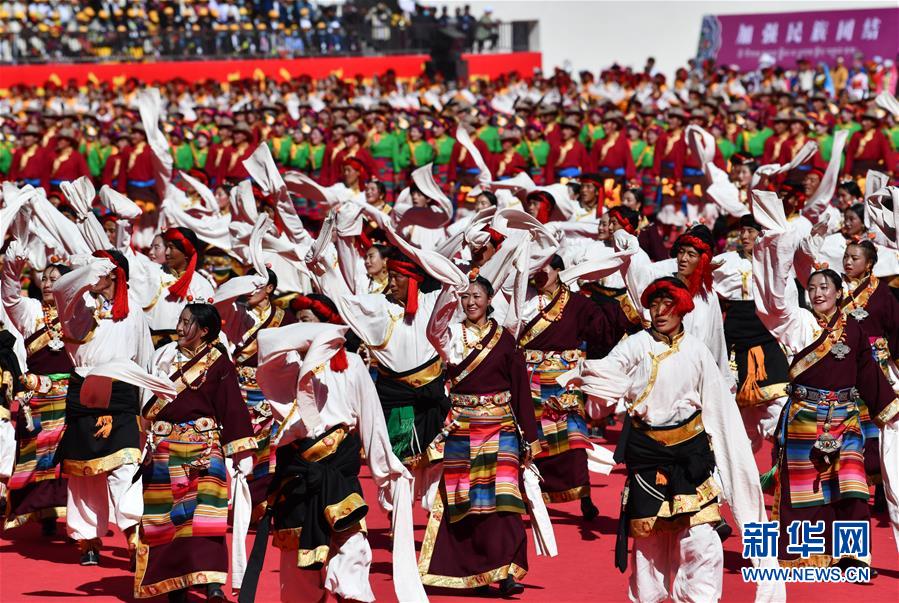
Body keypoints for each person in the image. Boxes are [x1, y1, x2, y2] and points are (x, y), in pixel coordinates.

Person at [563, 276, 778, 602]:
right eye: (654, 304)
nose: (660, 311)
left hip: (691, 459)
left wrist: (728, 460)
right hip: (648, 458)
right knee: (649, 549)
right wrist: (592, 378)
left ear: (681, 310)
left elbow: (719, 409)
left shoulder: (696, 351)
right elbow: (610, 370)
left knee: (703, 540)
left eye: (668, 305)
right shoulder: (636, 345)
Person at [752, 209, 899, 569]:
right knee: (804, 488)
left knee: (852, 488)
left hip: (845, 417)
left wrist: (890, 409)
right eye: (813, 288)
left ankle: (852, 556)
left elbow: (867, 371)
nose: (818, 293)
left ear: (837, 292)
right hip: (804, 416)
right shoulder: (797, 321)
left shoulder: (854, 328)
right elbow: (774, 302)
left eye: (825, 288)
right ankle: (802, 552)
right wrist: (781, 247)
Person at [243, 322, 423, 603]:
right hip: (299, 470)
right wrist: (312, 340)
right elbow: (267, 341)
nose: (307, 331)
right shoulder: (285, 365)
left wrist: (386, 472)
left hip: (339, 466)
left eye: (314, 323)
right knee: (297, 565)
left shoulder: (350, 363)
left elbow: (371, 416)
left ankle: (352, 596)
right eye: (302, 323)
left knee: (353, 548)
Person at [421, 273, 540, 594]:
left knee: (505, 500)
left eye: (477, 296)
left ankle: (508, 571)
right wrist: (448, 287)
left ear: (489, 301)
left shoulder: (505, 339)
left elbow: (520, 390)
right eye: (466, 297)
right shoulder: (449, 336)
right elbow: (432, 330)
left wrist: (531, 436)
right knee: (467, 502)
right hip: (461, 428)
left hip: (501, 428)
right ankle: (475, 570)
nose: (471, 302)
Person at [136, 304, 257, 601]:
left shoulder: (220, 363)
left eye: (187, 323)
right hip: (164, 447)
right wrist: (143, 443)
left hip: (204, 448)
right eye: (179, 321)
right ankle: (173, 582)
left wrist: (242, 452)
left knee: (207, 518)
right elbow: (146, 402)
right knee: (166, 519)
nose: (179, 327)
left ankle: (212, 582)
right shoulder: (164, 355)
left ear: (204, 331)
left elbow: (232, 408)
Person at [51, 249, 153, 566]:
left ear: (115, 274)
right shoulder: (80, 306)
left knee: (126, 465)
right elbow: (59, 288)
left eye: (100, 271)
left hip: (122, 391)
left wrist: (148, 411)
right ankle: (88, 539)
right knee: (85, 470)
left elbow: (145, 359)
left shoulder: (134, 311)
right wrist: (88, 270)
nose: (92, 276)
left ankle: (135, 534)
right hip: (85, 389)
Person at [517, 254, 629, 518]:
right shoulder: (523, 298)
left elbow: (602, 329)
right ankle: (530, 493)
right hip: (529, 377)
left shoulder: (577, 303)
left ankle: (584, 495)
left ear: (558, 271)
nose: (539, 274)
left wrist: (624, 309)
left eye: (545, 268)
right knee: (532, 440)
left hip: (564, 379)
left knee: (574, 439)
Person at [214, 268, 297, 519]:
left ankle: (261, 501)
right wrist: (243, 283)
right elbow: (220, 300)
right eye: (247, 286)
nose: (250, 291)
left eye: (257, 285)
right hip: (237, 389)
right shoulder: (237, 313)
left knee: (267, 448)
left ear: (270, 289)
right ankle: (238, 497)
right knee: (236, 445)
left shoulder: (285, 318)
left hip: (270, 390)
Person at [1, 253, 73, 535]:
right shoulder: (31, 310)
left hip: (70, 398)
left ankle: (75, 520)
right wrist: (12, 269)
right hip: (38, 397)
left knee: (67, 460)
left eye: (55, 280)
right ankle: (44, 514)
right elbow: (10, 298)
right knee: (36, 458)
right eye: (44, 279)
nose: (47, 284)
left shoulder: (80, 312)